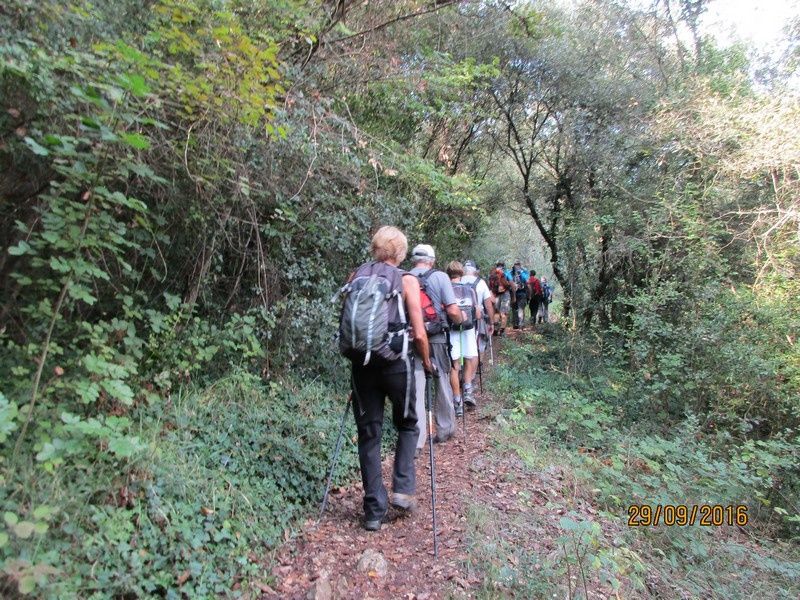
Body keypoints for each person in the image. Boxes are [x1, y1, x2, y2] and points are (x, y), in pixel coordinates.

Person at [341, 226, 433, 531]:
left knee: (369, 435)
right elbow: (419, 332)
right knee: (408, 423)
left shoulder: (355, 277)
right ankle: (403, 490)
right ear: (400, 252)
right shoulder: (406, 279)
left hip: (362, 367)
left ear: (376, 248)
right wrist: (428, 362)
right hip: (396, 365)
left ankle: (373, 512)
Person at [409, 244, 464, 452]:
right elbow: (452, 310)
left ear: (414, 260)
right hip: (437, 337)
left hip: (412, 338)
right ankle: (445, 429)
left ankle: (416, 439)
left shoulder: (404, 277)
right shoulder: (440, 277)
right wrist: (462, 318)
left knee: (416, 385)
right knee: (442, 379)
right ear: (431, 260)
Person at [446, 261, 482, 416]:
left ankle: (457, 401)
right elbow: (478, 313)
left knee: (454, 366)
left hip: (452, 330)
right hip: (468, 329)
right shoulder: (470, 289)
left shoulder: (446, 289)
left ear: (448, 273)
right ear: (461, 273)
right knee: (469, 359)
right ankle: (467, 388)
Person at [460, 260, 494, 407]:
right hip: (475, 322)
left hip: (456, 322)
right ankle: (469, 382)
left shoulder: (456, 280)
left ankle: (457, 385)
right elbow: (488, 305)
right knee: (475, 351)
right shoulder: (480, 283)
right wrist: (491, 322)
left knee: (457, 353)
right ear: (475, 270)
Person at [488, 261, 511, 336]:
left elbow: (490, 286)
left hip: (496, 294)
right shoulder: (506, 272)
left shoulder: (492, 273)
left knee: (496, 312)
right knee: (504, 313)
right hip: (505, 294)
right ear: (504, 265)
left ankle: (495, 329)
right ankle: (502, 330)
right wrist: (513, 295)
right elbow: (511, 283)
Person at [505, 260, 529, 330]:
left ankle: (515, 324)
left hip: (512, 293)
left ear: (513, 265)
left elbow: (506, 282)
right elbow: (527, 282)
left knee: (514, 309)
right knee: (521, 309)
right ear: (520, 265)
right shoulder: (523, 272)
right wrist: (529, 294)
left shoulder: (509, 272)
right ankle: (521, 324)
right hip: (522, 293)